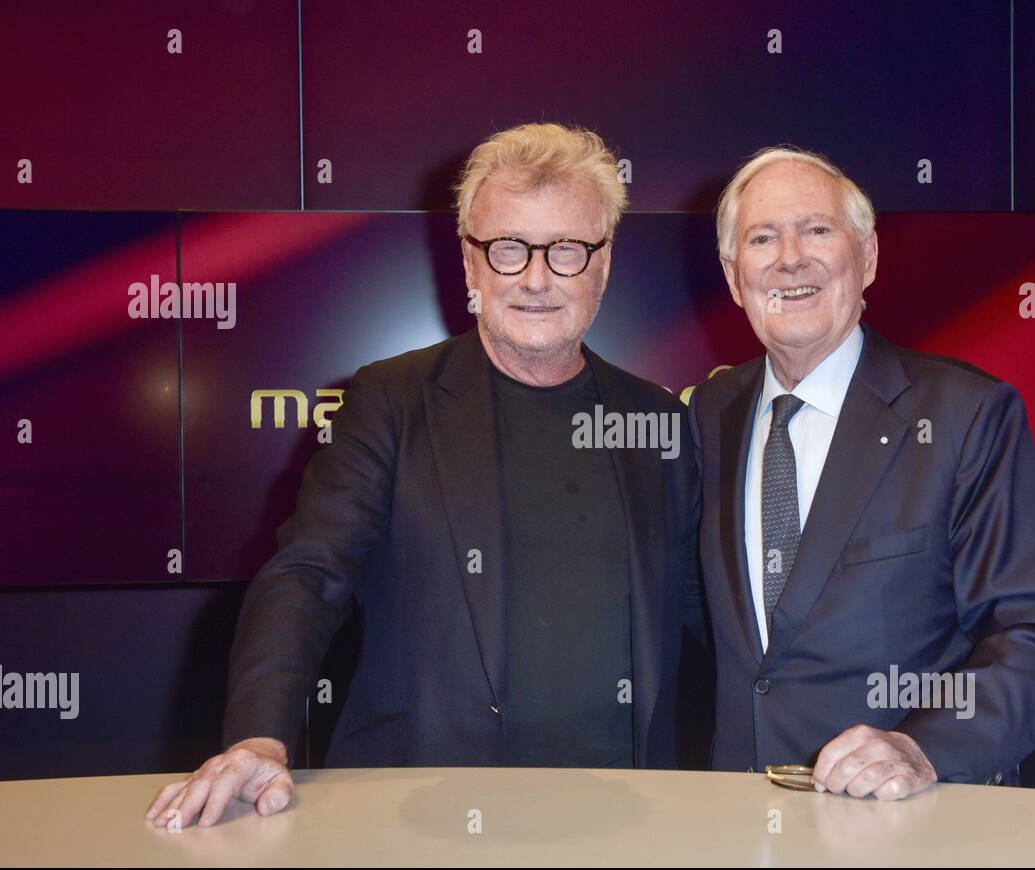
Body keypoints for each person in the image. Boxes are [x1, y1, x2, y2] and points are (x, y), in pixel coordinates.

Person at [145, 123, 705, 828]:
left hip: (622, 823)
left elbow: (712, 611)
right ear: (470, 263)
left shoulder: (659, 421)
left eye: (566, 249)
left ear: (604, 261)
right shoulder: (391, 400)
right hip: (420, 819)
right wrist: (261, 733)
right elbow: (308, 575)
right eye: (508, 248)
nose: (536, 278)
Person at [688, 146, 1035, 799]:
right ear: (736, 278)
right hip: (738, 822)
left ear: (867, 257)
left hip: (906, 824)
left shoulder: (966, 414)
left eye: (817, 229)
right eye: (763, 238)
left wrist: (922, 746)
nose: (791, 256)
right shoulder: (709, 414)